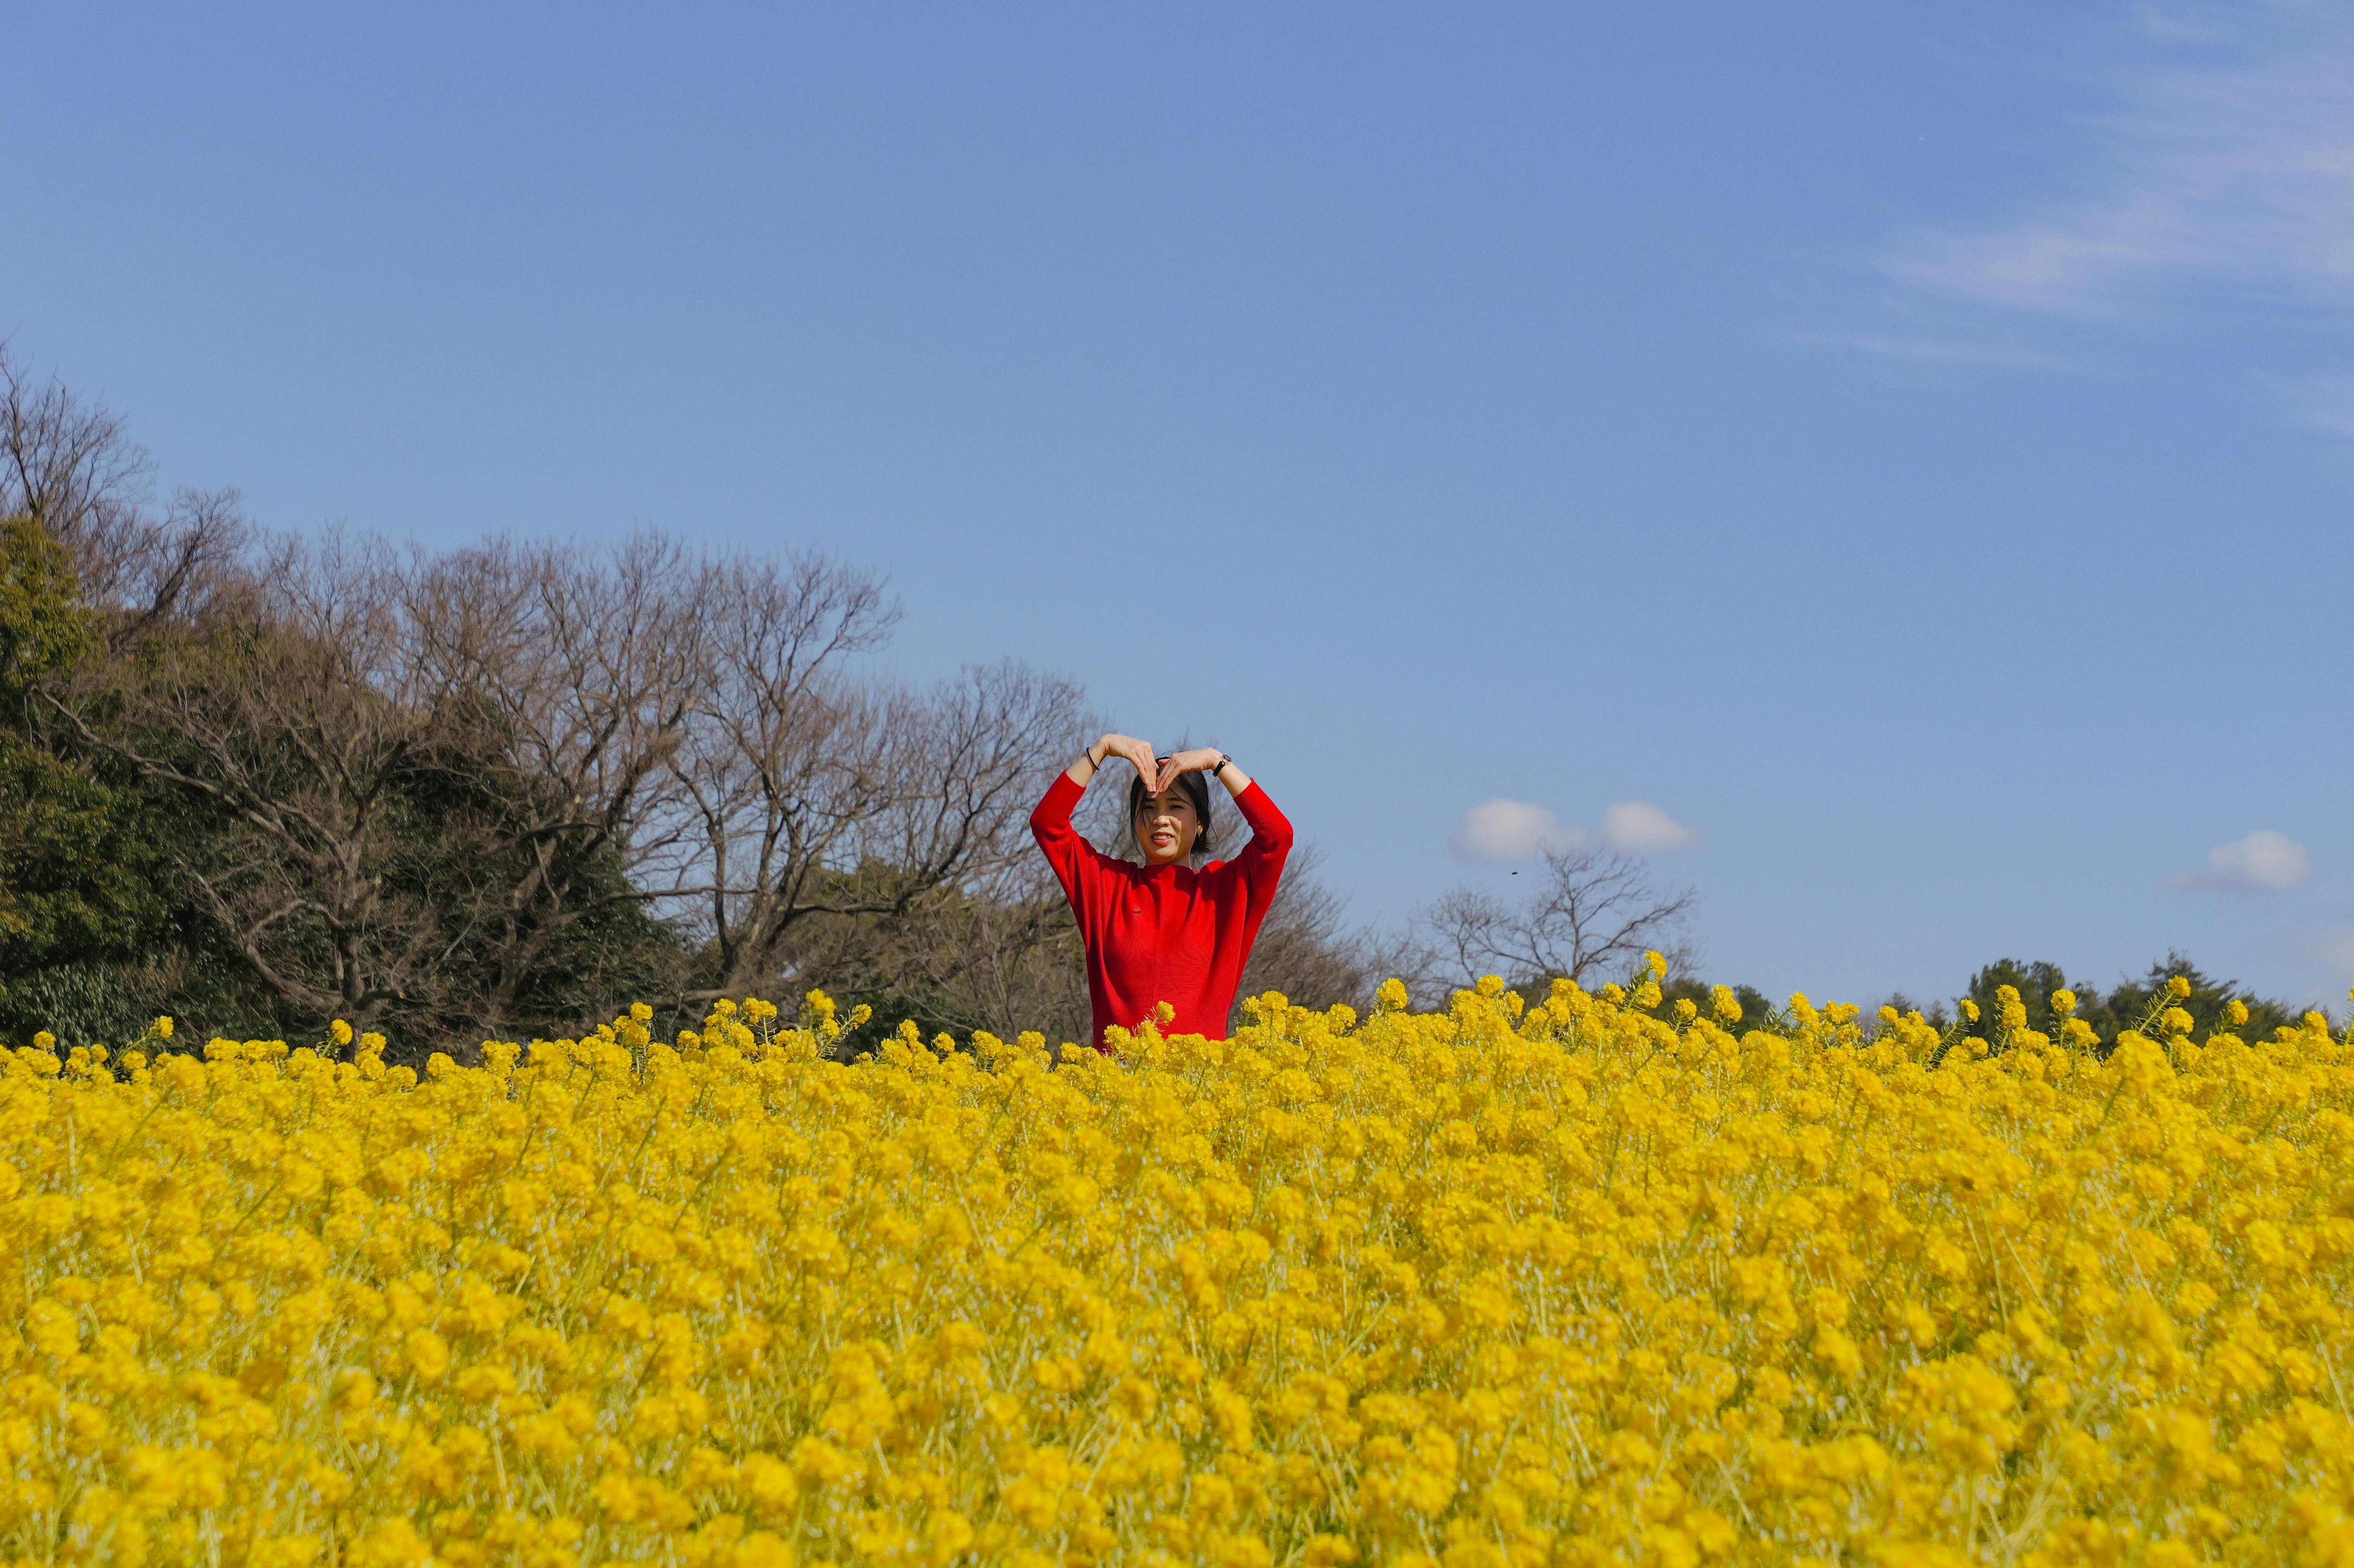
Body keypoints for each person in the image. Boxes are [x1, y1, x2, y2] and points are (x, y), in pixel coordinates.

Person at [1029, 734, 1294, 1052]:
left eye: (1176, 806)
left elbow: (1277, 836)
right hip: (1116, 1090)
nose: (1160, 819)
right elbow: (1047, 824)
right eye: (1149, 807)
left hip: (1199, 1090)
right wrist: (1101, 749)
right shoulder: (1106, 886)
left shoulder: (1225, 893)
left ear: (1200, 824)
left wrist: (1218, 762)